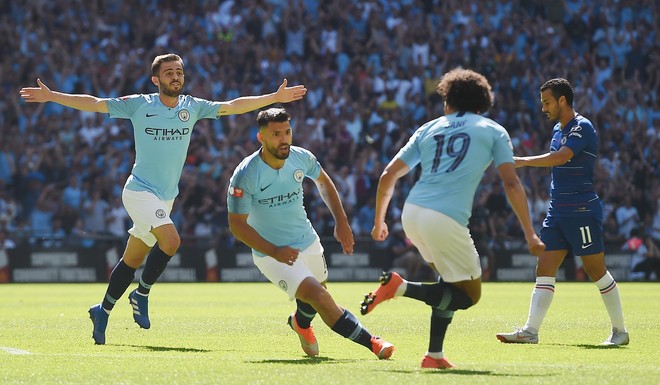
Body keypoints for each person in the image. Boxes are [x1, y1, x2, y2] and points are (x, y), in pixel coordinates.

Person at [19, 53, 307, 345]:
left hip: (165, 198)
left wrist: (274, 96)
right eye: (169, 72)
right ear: (156, 79)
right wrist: (53, 96)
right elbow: (95, 102)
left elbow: (232, 106)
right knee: (171, 241)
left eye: (179, 72)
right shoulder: (140, 104)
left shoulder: (192, 107)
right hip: (139, 191)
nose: (176, 77)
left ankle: (102, 310)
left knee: (132, 258)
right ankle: (141, 293)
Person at [360, 68, 544, 369]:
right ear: (482, 102)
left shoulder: (428, 128)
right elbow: (511, 183)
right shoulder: (493, 130)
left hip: (412, 213)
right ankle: (399, 286)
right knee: (469, 294)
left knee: (448, 280)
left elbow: (388, 175)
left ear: (448, 100)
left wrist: (379, 221)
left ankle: (434, 356)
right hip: (444, 219)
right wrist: (529, 233)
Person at [227, 107, 394, 360]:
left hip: (307, 241)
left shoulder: (301, 157)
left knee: (315, 298)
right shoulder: (246, 174)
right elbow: (237, 225)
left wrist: (341, 223)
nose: (283, 139)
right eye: (275, 134)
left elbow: (324, 183)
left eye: (287, 132)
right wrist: (274, 251)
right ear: (261, 138)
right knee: (320, 296)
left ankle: (300, 324)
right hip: (271, 254)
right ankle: (374, 343)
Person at [496, 78, 629, 345]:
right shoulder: (557, 129)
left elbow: (560, 157)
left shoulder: (582, 127)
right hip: (557, 211)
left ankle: (620, 332)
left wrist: (520, 161)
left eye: (547, 102)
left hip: (582, 210)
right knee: (544, 266)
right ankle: (530, 331)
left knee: (595, 270)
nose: (543, 108)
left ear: (562, 101)